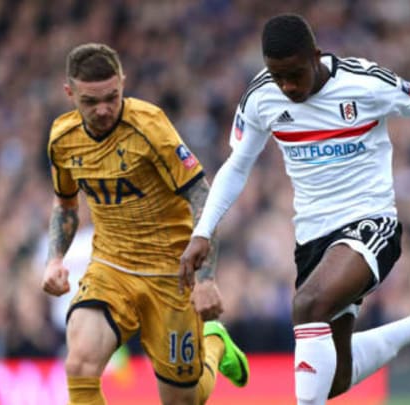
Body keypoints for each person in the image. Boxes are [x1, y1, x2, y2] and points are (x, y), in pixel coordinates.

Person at [180, 14, 410, 405]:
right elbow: (236, 167)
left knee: (306, 305)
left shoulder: (363, 82)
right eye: (277, 75)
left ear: (316, 56)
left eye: (295, 74)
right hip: (313, 240)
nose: (287, 86)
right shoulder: (261, 97)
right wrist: (203, 231)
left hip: (371, 224)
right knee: (332, 377)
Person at [41, 43, 249, 405]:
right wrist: (54, 259)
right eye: (91, 101)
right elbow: (66, 203)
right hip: (111, 268)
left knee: (183, 400)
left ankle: (214, 342)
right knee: (79, 364)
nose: (103, 109)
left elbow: (203, 196)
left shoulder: (150, 127)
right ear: (69, 93)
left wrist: (206, 279)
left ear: (123, 82)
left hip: (172, 274)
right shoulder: (62, 138)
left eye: (112, 97)